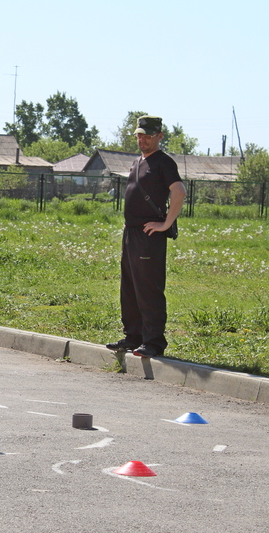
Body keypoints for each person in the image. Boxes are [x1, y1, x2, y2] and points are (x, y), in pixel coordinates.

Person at [106, 115, 186, 358]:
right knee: (129, 288)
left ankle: (153, 342)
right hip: (131, 232)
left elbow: (179, 192)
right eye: (139, 135)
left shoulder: (164, 162)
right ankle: (134, 337)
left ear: (159, 136)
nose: (142, 139)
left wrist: (165, 224)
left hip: (148, 235)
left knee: (148, 288)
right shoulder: (136, 162)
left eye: (147, 136)